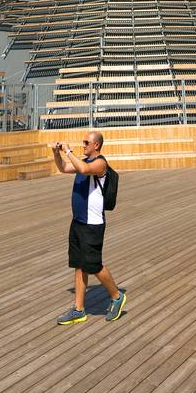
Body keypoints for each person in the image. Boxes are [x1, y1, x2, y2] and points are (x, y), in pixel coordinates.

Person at [50, 132, 127, 325]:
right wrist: (57, 153)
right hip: (78, 222)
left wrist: (68, 150)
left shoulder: (100, 164)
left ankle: (117, 296)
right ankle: (79, 310)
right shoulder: (82, 161)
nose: (83, 145)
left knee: (94, 265)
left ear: (97, 146)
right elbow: (64, 167)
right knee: (79, 265)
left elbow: (84, 169)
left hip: (92, 224)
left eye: (87, 142)